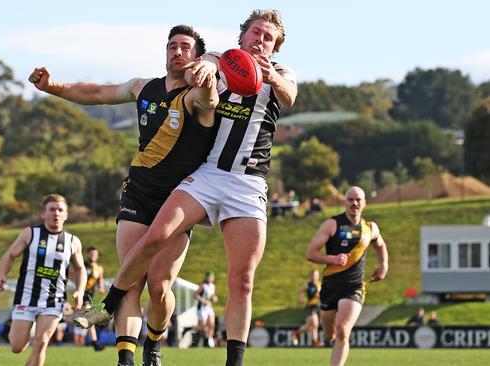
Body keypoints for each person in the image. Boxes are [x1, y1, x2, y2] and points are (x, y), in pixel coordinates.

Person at [73, 9, 296, 366]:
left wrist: (271, 77)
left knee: (242, 280)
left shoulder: (281, 74)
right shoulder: (220, 61)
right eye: (256, 33)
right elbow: (201, 66)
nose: (260, 40)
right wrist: (206, 68)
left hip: (248, 182)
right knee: (155, 237)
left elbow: (289, 96)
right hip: (207, 174)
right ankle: (108, 304)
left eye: (269, 37)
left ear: (276, 46)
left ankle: (233, 362)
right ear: (242, 37)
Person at [29, 25, 218, 366]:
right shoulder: (143, 87)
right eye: (171, 45)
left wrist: (207, 78)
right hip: (139, 192)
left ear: (197, 57)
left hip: (178, 200)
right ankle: (125, 359)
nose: (177, 51)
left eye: (185, 47)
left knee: (159, 287)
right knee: (131, 281)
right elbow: (98, 92)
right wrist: (52, 87)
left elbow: (209, 101)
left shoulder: (196, 95)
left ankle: (155, 342)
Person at [0, 194, 87, 366]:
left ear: (66, 215)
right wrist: (1, 275)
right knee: (16, 346)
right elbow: (10, 255)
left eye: (60, 210)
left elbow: (80, 268)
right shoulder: (30, 233)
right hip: (26, 297)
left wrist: (80, 291)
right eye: (52, 209)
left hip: (54, 300)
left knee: (42, 341)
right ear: (43, 214)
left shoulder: (72, 241)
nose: (56, 213)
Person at [305, 186, 389, 366]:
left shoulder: (370, 228)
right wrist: (332, 259)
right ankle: (330, 337)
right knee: (330, 335)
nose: (354, 203)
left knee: (343, 331)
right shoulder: (332, 224)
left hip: (354, 287)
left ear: (364, 203)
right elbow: (311, 253)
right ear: (345, 202)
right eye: (351, 200)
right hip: (330, 286)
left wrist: (383, 266)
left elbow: (380, 246)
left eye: (358, 200)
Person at [80, 246, 106, 351]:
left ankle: (95, 342)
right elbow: (73, 275)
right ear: (87, 254)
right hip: (81, 294)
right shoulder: (82, 265)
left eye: (95, 254)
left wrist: (101, 288)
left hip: (88, 296)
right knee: (89, 317)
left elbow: (101, 286)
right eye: (91, 254)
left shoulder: (99, 269)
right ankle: (95, 342)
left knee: (85, 318)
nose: (93, 256)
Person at [291, 270, 321, 347]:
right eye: (313, 275)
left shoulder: (319, 285)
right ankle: (315, 341)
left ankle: (296, 333)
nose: (315, 277)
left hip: (317, 307)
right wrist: (301, 298)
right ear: (311, 276)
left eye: (316, 275)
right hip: (311, 306)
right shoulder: (308, 285)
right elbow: (300, 291)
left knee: (310, 326)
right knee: (315, 323)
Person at [194, 271, 218, 347]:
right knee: (202, 325)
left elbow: (214, 296)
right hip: (201, 308)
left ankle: (206, 342)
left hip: (209, 308)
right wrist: (203, 300)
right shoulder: (203, 286)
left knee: (211, 325)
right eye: (209, 277)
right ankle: (194, 339)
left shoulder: (213, 286)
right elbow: (195, 295)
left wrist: (215, 298)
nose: (210, 278)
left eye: (211, 277)